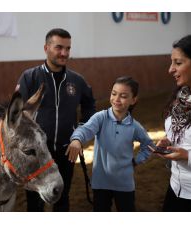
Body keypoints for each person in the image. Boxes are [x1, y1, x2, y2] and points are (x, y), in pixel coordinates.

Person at [16, 28, 96, 211]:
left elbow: (90, 106)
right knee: (35, 205)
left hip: (66, 151)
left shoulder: (77, 81)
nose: (64, 53)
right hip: (37, 156)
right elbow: (16, 115)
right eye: (59, 47)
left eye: (68, 48)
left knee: (62, 199)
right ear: (46, 48)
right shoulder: (29, 78)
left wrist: (80, 134)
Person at [66, 76, 154, 212]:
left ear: (133, 100)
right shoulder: (100, 118)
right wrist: (77, 139)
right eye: (114, 94)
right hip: (101, 182)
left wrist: (137, 161)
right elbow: (85, 129)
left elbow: (149, 145)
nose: (117, 99)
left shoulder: (135, 126)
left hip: (125, 184)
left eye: (123, 96)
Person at [149, 34, 191, 211]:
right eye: (172, 62)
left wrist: (187, 156)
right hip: (176, 188)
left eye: (178, 63)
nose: (171, 69)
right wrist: (169, 140)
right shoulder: (180, 97)